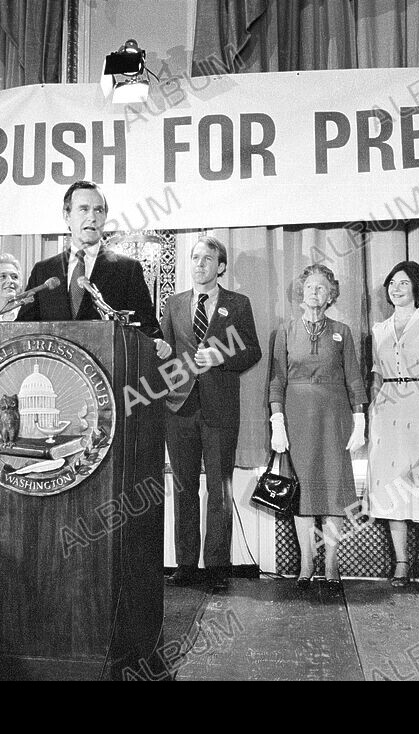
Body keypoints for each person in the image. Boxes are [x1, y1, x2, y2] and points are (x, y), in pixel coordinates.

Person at [154, 236, 262, 592]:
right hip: (179, 408)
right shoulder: (173, 303)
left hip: (220, 409)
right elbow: (165, 354)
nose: (200, 263)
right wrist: (165, 351)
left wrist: (220, 357)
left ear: (221, 266)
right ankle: (186, 565)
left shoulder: (238, 304)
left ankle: (217, 567)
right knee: (184, 487)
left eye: (208, 258)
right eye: (195, 257)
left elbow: (252, 352)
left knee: (219, 490)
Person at [268, 264, 366, 590]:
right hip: (296, 418)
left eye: (322, 288)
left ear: (331, 295)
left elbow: (354, 376)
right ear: (301, 291)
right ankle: (306, 564)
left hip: (334, 418)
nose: (315, 292)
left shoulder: (343, 331)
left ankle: (332, 564)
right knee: (304, 491)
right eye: (310, 286)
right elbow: (277, 380)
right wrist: (277, 421)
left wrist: (360, 419)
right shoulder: (285, 331)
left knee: (335, 488)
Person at [366, 261, 419, 593]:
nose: (397, 288)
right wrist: (373, 408)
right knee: (391, 485)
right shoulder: (379, 329)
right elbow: (376, 372)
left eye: (404, 283)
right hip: (388, 412)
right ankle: (401, 562)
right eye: (392, 283)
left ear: (416, 288)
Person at [16, 180, 161, 338]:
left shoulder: (127, 269)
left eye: (98, 210)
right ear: (66, 216)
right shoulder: (43, 272)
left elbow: (148, 329)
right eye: (84, 209)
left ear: (105, 217)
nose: (92, 217)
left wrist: (156, 343)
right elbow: (23, 328)